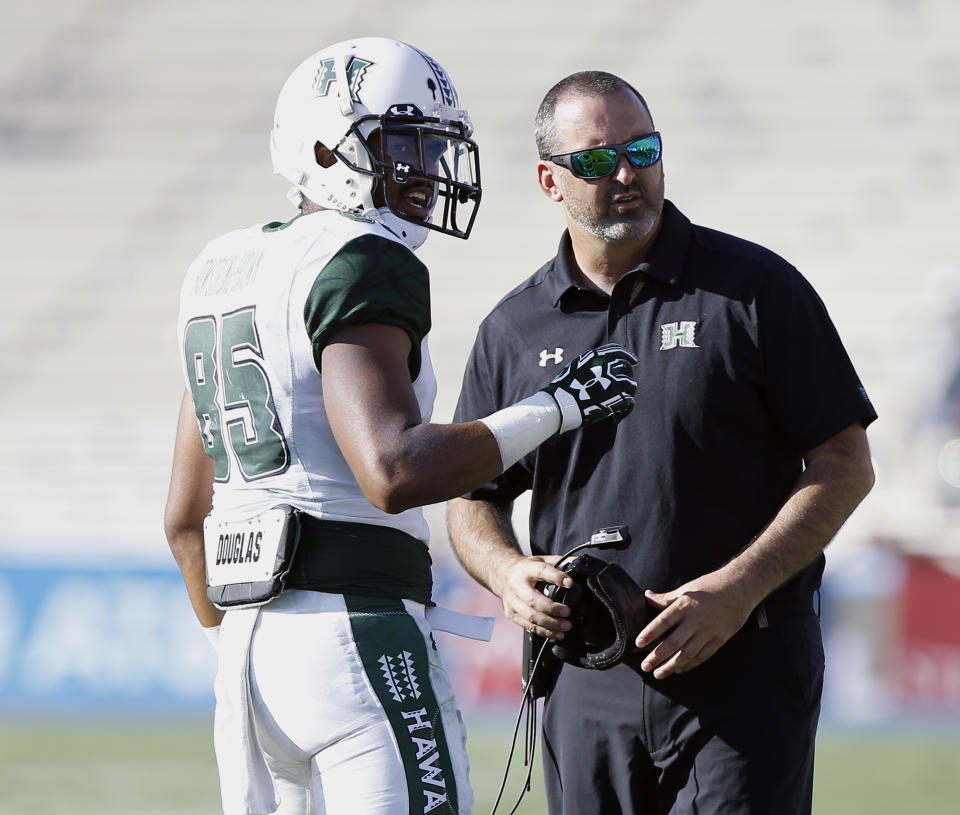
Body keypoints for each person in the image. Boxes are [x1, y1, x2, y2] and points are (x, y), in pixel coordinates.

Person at [163, 40, 638, 815]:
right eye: (402, 146)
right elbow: (394, 469)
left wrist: (245, 648)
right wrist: (560, 405)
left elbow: (185, 521)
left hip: (246, 658)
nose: (424, 171)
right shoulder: (358, 260)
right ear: (326, 150)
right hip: (353, 630)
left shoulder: (220, 266)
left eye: (433, 148)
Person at [447, 70, 878, 815]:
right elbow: (471, 498)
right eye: (595, 159)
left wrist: (737, 589)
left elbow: (845, 463)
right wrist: (507, 571)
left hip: (740, 667)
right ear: (549, 181)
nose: (626, 173)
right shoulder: (514, 328)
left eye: (642, 148)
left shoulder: (754, 290)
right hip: (583, 674)